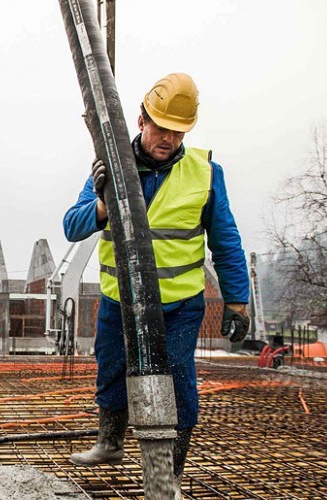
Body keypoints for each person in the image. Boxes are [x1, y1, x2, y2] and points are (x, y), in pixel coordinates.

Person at [62, 73, 250, 495]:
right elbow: (71, 226)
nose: (167, 137)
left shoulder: (205, 174)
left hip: (179, 304)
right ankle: (110, 442)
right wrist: (102, 204)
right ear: (141, 119)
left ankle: (170, 475)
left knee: (178, 380)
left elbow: (227, 241)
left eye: (177, 131)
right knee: (111, 371)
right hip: (119, 300)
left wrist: (238, 301)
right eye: (160, 126)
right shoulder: (108, 170)